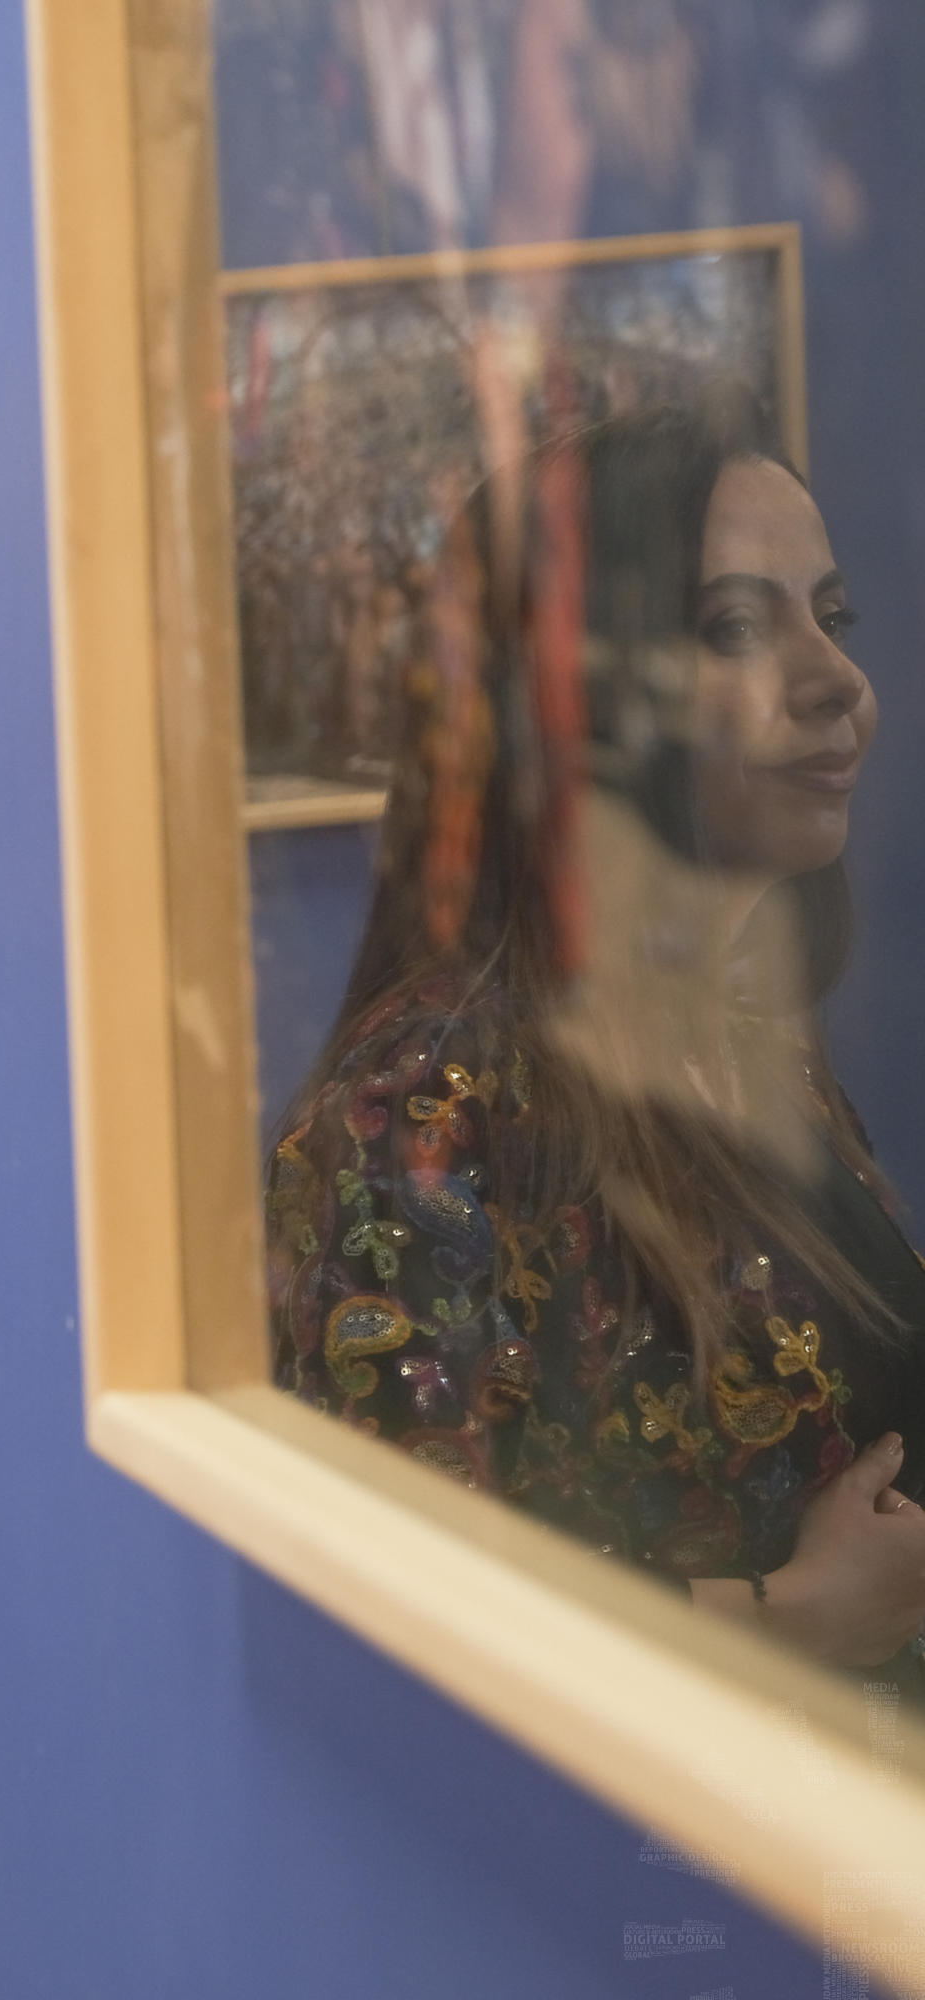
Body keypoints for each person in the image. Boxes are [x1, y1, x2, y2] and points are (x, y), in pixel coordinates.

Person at [270, 388, 925, 1678]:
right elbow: (401, 1610)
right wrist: (791, 1624)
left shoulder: (738, 1031)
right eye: (735, 628)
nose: (838, 681)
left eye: (830, 616)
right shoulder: (422, 1105)